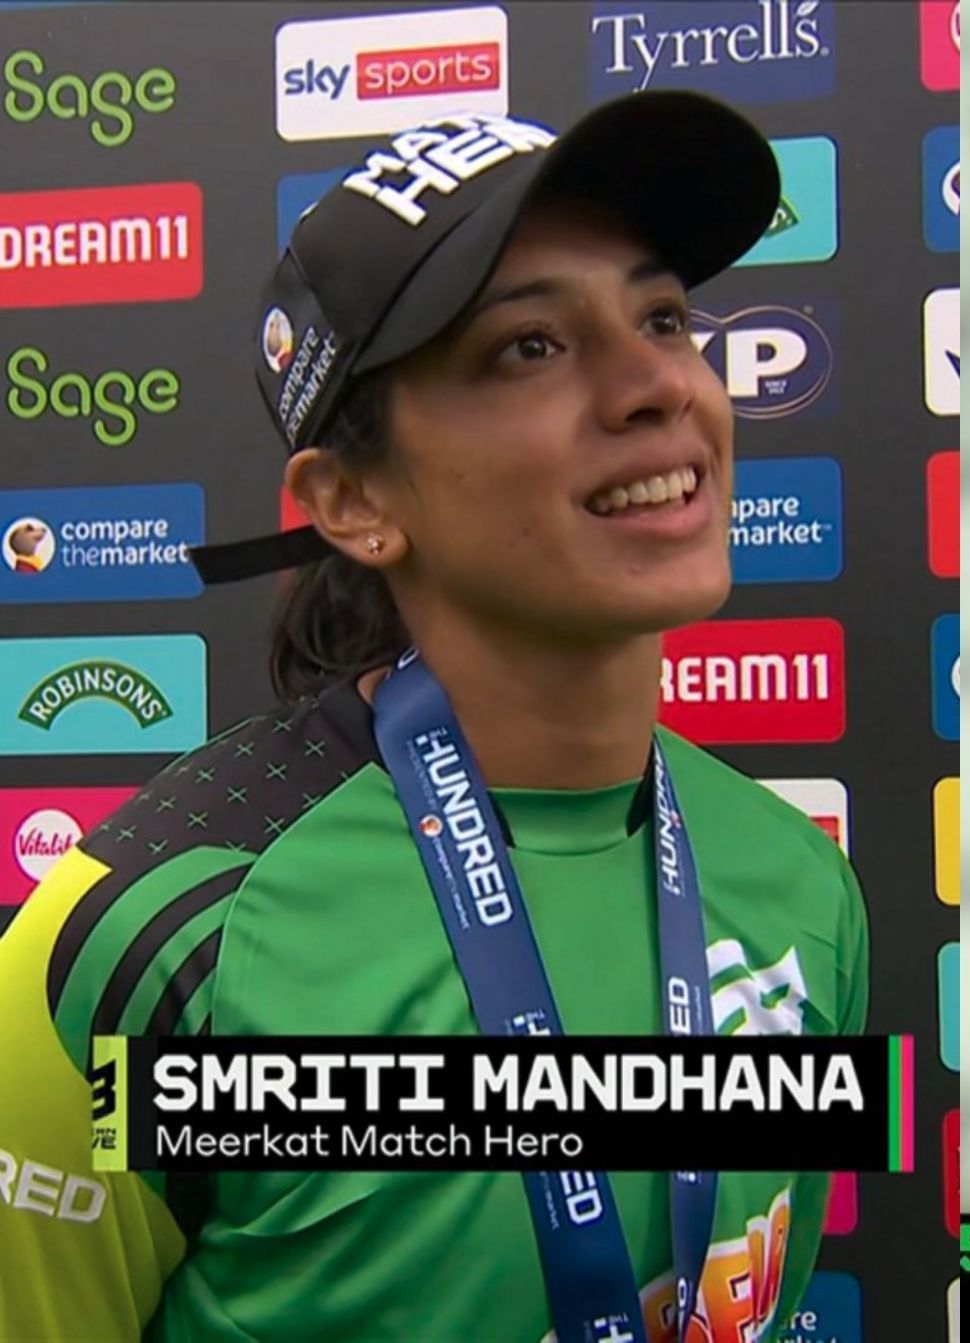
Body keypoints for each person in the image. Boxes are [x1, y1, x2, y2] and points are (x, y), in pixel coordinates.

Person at [0, 91, 870, 1343]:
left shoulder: (801, 883)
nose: (655, 387)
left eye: (665, 317)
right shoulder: (156, 935)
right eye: (531, 345)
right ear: (353, 500)